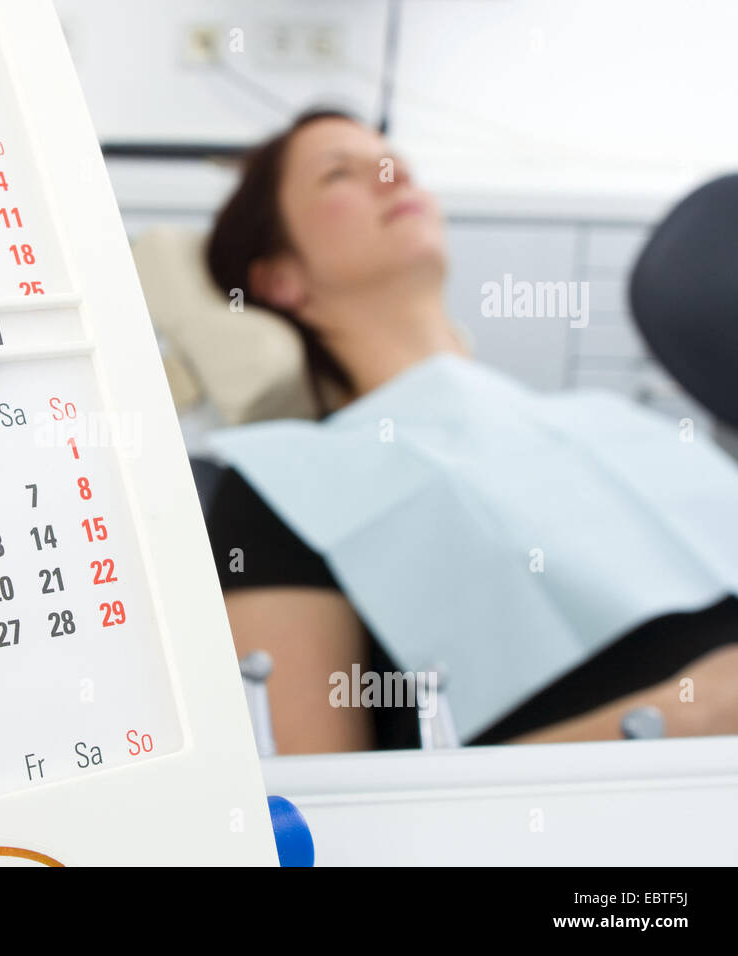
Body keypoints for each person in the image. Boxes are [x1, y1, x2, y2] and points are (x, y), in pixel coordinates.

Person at [200, 108, 738, 753]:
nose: (393, 176)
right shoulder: (279, 485)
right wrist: (692, 715)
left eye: (400, 166)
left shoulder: (612, 421)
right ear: (278, 279)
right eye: (340, 173)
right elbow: (314, 812)